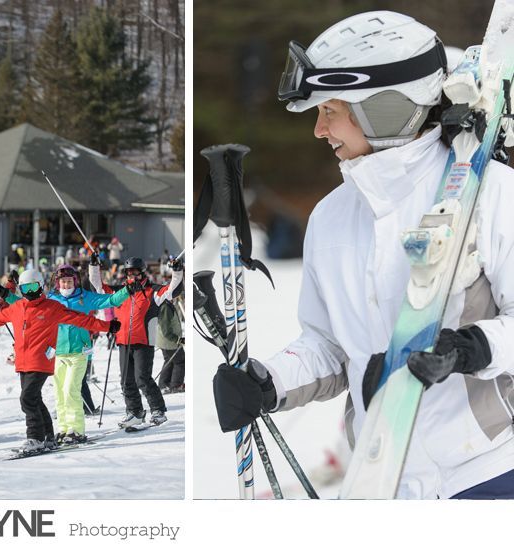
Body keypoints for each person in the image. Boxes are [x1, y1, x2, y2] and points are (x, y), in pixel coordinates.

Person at [215, 11, 514, 499]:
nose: (318, 130)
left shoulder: (494, 193)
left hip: (488, 475)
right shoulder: (331, 217)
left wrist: (469, 348)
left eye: (329, 111)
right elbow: (331, 348)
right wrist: (268, 382)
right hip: (382, 481)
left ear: (384, 108)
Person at [0, 269, 119, 453]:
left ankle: (35, 438)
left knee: (27, 399)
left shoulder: (51, 307)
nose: (30, 291)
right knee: (35, 399)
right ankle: (48, 436)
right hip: (23, 363)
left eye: (33, 287)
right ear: (21, 289)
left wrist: (107, 326)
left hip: (41, 361)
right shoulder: (17, 307)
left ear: (40, 286)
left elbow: (80, 320)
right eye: (26, 288)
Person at [90, 254, 183, 428]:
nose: (132, 277)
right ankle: (134, 412)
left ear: (142, 273)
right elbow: (98, 288)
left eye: (135, 273)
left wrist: (177, 271)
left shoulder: (153, 291)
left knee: (142, 378)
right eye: (129, 273)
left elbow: (172, 289)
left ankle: (158, 410)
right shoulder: (120, 293)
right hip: (123, 341)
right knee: (126, 380)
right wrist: (94, 266)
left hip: (143, 341)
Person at [157, 294, 184, 393]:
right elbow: (166, 330)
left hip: (167, 341)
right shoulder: (165, 307)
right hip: (168, 341)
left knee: (169, 360)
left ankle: (164, 384)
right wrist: (178, 339)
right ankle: (176, 385)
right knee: (180, 361)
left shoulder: (168, 305)